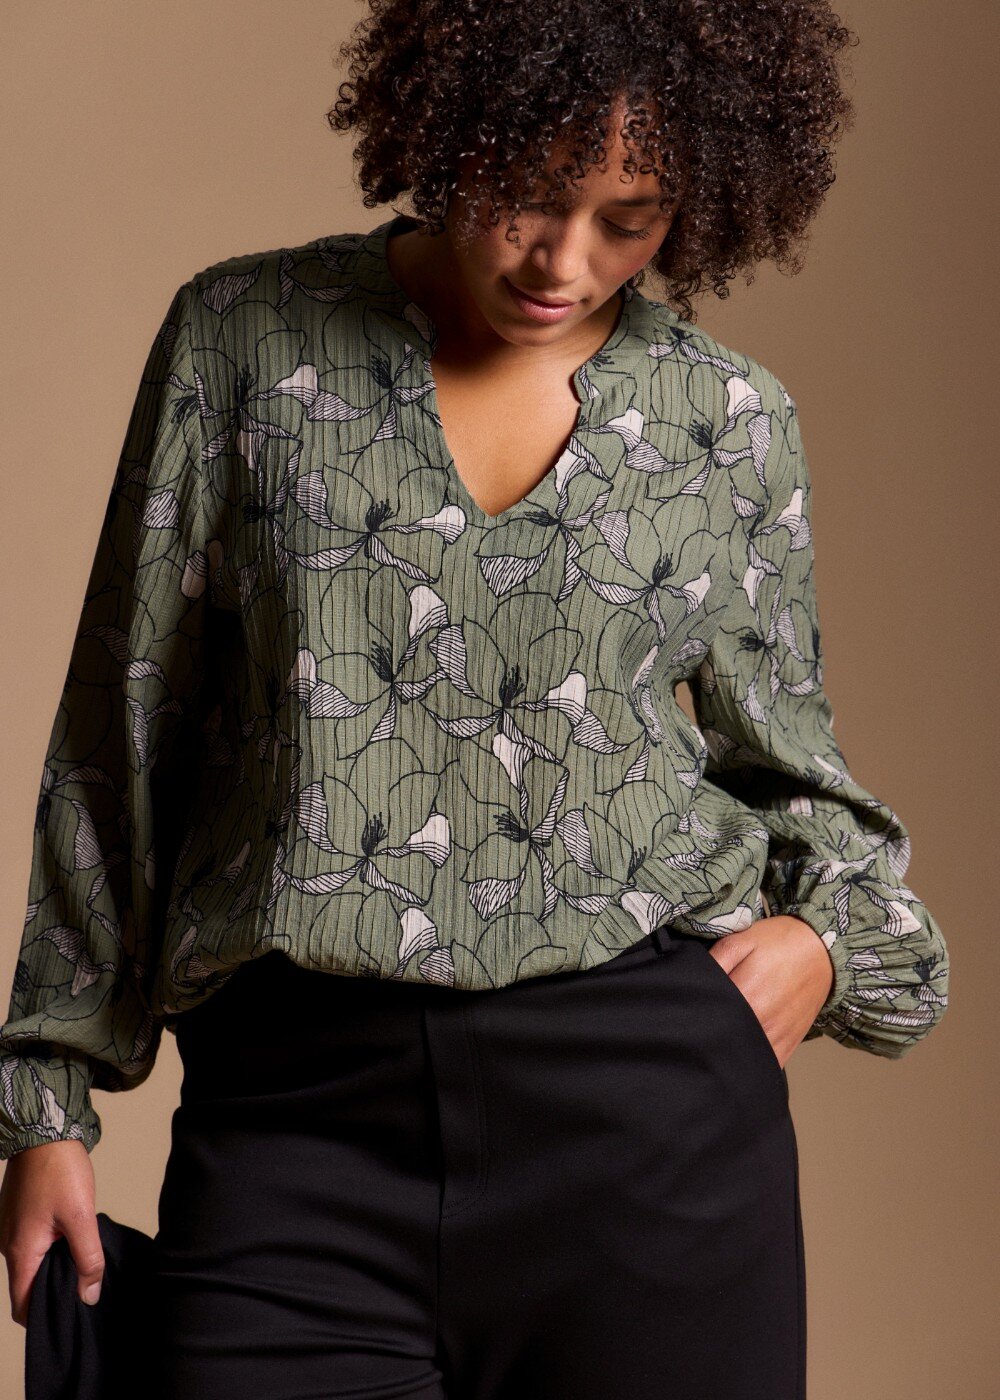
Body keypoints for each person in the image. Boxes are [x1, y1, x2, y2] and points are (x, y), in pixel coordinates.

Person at [0, 2, 950, 1396]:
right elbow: (121, 736)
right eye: (527, 196)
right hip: (298, 1122)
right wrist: (45, 1100)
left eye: (629, 219)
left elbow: (805, 779)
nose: (565, 260)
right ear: (453, 130)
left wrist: (823, 940)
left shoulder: (727, 424)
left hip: (651, 1126)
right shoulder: (246, 341)